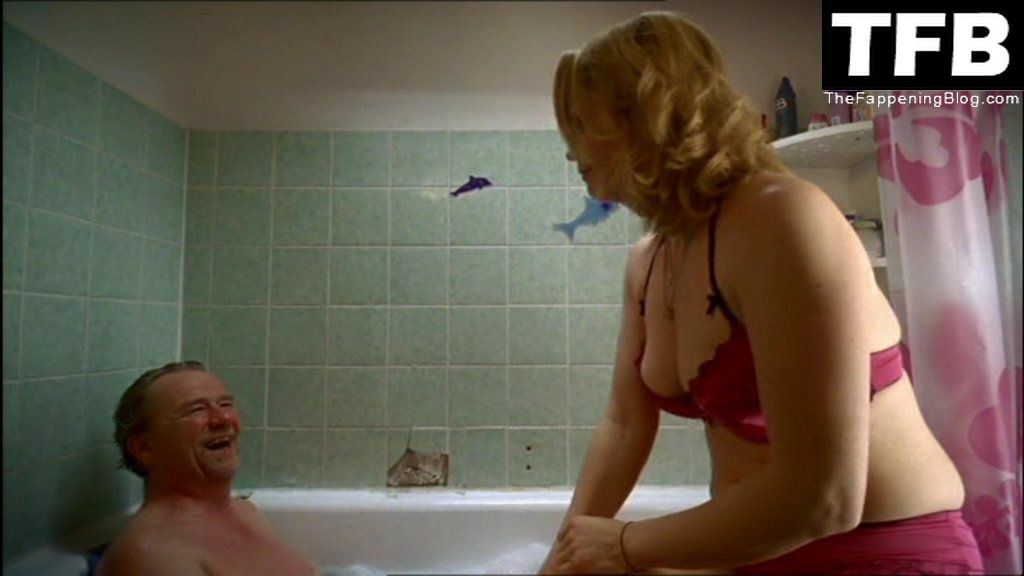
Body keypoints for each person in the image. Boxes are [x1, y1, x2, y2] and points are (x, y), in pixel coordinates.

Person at [540, 11, 983, 575]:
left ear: (647, 116)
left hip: (880, 550)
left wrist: (625, 545)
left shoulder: (781, 218)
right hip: (753, 551)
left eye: (581, 124)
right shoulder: (648, 261)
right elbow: (625, 426)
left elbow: (824, 498)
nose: (570, 151)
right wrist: (561, 561)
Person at [98, 361, 317, 576]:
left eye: (225, 404)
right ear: (144, 448)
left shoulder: (246, 513)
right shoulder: (153, 553)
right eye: (197, 410)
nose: (223, 419)